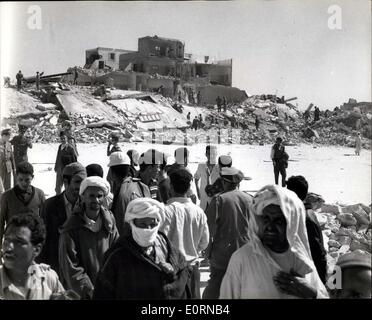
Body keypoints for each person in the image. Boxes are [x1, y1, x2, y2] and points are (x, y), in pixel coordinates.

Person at [220, 185, 329, 299]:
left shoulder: (302, 261)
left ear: (291, 224)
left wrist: (310, 293)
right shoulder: (243, 258)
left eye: (278, 220)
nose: (270, 227)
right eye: (266, 219)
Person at [93, 198, 192, 299]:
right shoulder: (116, 256)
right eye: (143, 225)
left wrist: (171, 274)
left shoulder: (168, 249)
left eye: (152, 225)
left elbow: (183, 282)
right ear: (132, 224)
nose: (148, 229)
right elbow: (103, 292)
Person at [59, 176, 119, 299]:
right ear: (82, 197)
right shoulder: (71, 228)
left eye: (100, 196)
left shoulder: (109, 222)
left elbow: (117, 252)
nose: (96, 200)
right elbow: (71, 266)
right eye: (91, 196)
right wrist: (90, 290)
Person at [160, 168, 209, 298]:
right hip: (192, 270)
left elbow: (160, 242)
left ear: (171, 186)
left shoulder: (165, 211)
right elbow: (204, 243)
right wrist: (191, 248)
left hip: (172, 273)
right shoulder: (199, 212)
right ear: (188, 188)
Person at [203, 167, 251, 299]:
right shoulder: (249, 199)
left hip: (222, 255)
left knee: (213, 291)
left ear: (223, 182)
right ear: (238, 183)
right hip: (245, 253)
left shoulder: (219, 200)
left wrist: (207, 253)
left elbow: (209, 230)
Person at [0, 213, 68, 300]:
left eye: (19, 242)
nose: (9, 247)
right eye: (7, 240)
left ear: (37, 249)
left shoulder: (48, 280)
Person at [38, 162, 87, 275]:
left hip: (80, 270)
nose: (81, 186)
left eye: (84, 182)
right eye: (77, 182)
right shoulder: (50, 206)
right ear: (65, 182)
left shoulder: (87, 204)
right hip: (56, 268)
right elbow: (43, 239)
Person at [286, 175, 327, 284]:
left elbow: (318, 254)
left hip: (308, 277)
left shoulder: (304, 218)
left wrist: (321, 284)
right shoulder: (306, 212)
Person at [0, 162, 45, 243]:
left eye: (27, 180)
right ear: (16, 177)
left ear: (32, 177)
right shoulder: (6, 196)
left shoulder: (39, 195)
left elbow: (43, 221)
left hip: (32, 243)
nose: (24, 183)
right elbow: (1, 222)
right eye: (20, 179)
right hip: (12, 243)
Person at [110, 152, 151, 235]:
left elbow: (120, 227)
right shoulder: (142, 186)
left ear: (112, 173)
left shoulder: (121, 194)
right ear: (129, 169)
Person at [194, 145, 219, 212]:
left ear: (216, 154)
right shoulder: (201, 166)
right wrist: (198, 191)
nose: (211, 156)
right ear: (206, 154)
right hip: (204, 196)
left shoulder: (219, 167)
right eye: (209, 154)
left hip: (215, 197)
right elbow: (196, 178)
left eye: (214, 154)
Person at [54, 130, 78, 195]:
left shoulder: (70, 148)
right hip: (59, 169)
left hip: (67, 170)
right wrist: (56, 167)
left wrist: (74, 170)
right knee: (58, 187)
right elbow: (57, 157)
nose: (63, 140)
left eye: (64, 138)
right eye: (61, 138)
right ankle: (58, 199)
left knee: (67, 186)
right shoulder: (60, 146)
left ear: (67, 138)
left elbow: (75, 159)